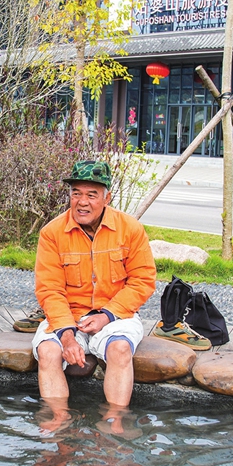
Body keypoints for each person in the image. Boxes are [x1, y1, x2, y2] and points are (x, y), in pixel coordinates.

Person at [33, 160, 156, 409]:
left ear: (107, 198)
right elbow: (49, 290)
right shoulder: (51, 233)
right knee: (48, 352)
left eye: (91, 195)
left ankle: (115, 422)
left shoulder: (130, 229)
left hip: (116, 316)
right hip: (68, 317)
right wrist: (67, 336)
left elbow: (143, 280)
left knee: (120, 349)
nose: (82, 202)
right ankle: (58, 422)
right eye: (76, 193)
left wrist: (106, 315)